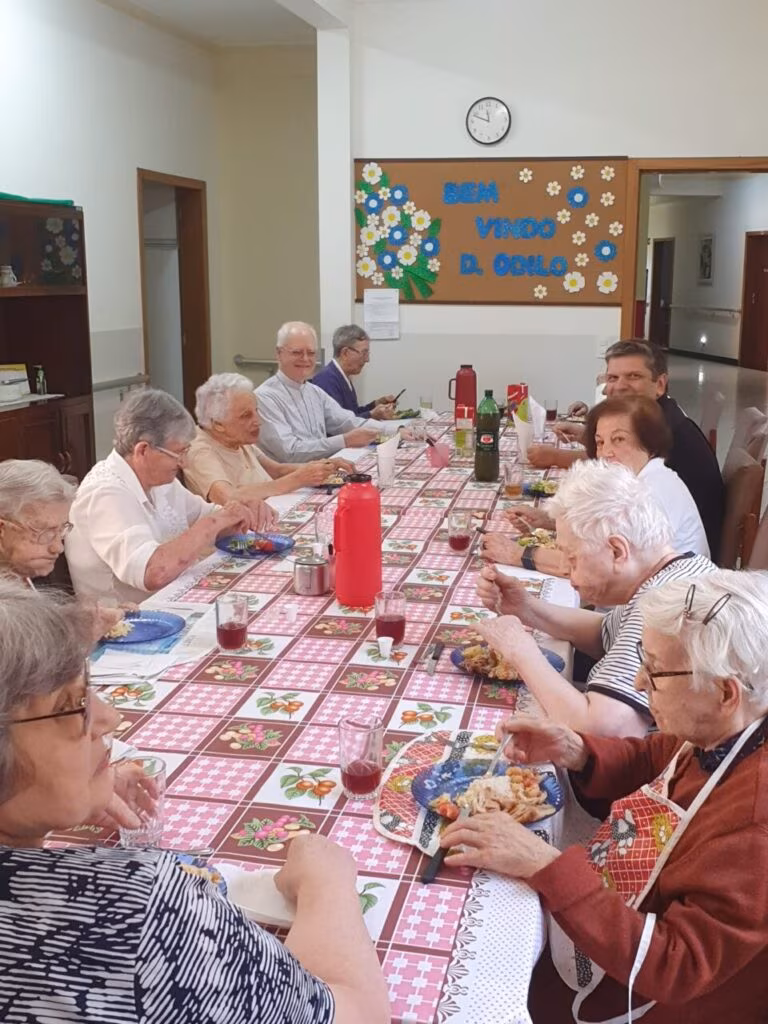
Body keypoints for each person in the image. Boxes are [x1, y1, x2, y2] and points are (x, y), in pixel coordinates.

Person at [0, 578, 390, 1024]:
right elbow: (356, 1015)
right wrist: (326, 878)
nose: (110, 716)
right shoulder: (136, 910)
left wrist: (62, 794)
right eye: (72, 706)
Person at [442, 570, 768, 1024]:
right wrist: (576, 750)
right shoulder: (730, 727)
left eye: (655, 671)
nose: (638, 682)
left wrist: (545, 864)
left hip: (656, 1001)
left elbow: (676, 966)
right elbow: (656, 756)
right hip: (619, 920)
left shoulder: (754, 825)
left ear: (725, 692)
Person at [476, 460, 715, 736]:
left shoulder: (663, 608)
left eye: (573, 558)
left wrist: (520, 650)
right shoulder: (680, 571)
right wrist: (525, 607)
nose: (568, 570)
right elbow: (605, 633)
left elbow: (602, 729)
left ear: (617, 551)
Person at [66, 388, 267, 604]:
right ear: (143, 451)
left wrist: (239, 513)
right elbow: (153, 572)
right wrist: (214, 523)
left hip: (179, 601)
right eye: (178, 453)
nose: (184, 463)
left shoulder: (158, 480)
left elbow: (209, 517)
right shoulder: (105, 494)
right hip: (130, 619)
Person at [528, 340, 725, 557]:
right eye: (613, 378)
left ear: (660, 384)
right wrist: (553, 520)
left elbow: (608, 559)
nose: (620, 386)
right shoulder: (656, 417)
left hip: (679, 564)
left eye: (633, 376)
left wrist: (525, 556)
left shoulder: (665, 433)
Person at [484, 396, 709, 571]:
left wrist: (517, 554)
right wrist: (548, 520)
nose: (606, 452)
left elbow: (596, 568)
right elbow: (606, 535)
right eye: (600, 442)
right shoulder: (640, 477)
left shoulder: (650, 490)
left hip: (667, 607)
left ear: (649, 441)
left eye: (619, 439)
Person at [184, 373, 356, 504]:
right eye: (246, 416)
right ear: (218, 424)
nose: (258, 421)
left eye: (256, 411)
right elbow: (228, 496)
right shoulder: (200, 450)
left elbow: (277, 470)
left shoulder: (236, 439)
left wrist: (323, 466)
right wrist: (298, 479)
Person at [255, 322, 383, 462]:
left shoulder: (314, 391)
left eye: (311, 353)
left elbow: (348, 422)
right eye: (297, 352)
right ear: (279, 354)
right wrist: (344, 440)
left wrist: (394, 430)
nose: (305, 359)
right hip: (294, 475)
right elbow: (290, 453)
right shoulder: (264, 397)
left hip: (323, 470)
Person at [0, 458, 76, 585]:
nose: (58, 548)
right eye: (45, 532)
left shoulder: (28, 572)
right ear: (1, 529)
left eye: (61, 530)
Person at [312, 325, 396, 420]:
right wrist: (372, 415)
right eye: (364, 353)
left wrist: (375, 404)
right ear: (345, 353)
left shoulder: (343, 377)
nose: (367, 359)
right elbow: (337, 423)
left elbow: (353, 413)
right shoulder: (326, 380)